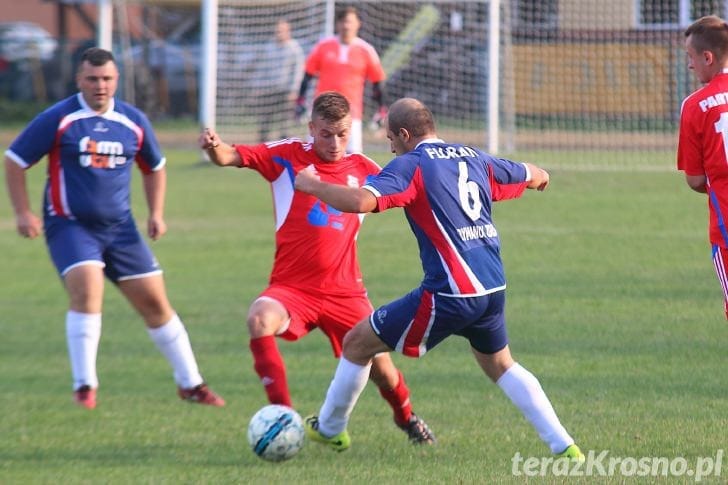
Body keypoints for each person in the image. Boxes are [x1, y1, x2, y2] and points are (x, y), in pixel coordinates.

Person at [295, 97, 584, 458]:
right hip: (493, 287)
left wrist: (312, 186)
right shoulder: (473, 156)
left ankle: (331, 429)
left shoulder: (411, 165)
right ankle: (565, 445)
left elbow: (360, 201)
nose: (390, 146)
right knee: (500, 364)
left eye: (390, 139)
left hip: (451, 292)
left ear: (403, 134)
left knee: (356, 343)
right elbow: (532, 173)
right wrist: (541, 178)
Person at [198, 91, 435, 445]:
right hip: (292, 289)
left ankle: (407, 419)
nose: (335, 142)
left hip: (346, 292)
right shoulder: (287, 155)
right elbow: (231, 156)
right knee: (259, 319)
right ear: (312, 128)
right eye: (326, 134)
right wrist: (215, 148)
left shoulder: (365, 168)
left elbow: (412, 189)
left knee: (383, 370)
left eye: (342, 134)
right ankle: (284, 419)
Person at [3, 47, 225, 410]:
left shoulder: (133, 121)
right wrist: (23, 213)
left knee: (156, 303)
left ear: (117, 80)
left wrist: (156, 213)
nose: (100, 86)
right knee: (88, 291)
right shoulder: (59, 118)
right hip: (70, 226)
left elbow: (154, 167)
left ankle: (191, 384)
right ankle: (84, 386)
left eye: (106, 79)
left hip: (121, 230)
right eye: (92, 79)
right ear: (79, 80)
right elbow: (14, 160)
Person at [678, 15, 728, 319]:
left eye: (691, 57)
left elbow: (695, 178)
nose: (690, 65)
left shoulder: (695, 105)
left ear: (707, 57)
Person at [295, 6, 387, 153]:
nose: (346, 25)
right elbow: (308, 76)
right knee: (313, 153)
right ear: (337, 24)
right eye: (343, 21)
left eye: (350, 22)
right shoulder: (323, 46)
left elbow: (377, 82)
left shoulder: (366, 50)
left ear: (358, 24)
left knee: (352, 157)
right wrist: (300, 101)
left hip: (351, 113)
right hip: (322, 111)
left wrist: (381, 109)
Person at [250, 19, 304, 142]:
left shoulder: (294, 48)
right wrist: (257, 88)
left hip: (285, 92)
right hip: (269, 91)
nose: (279, 33)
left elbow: (297, 72)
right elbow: (261, 70)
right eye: (277, 31)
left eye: (282, 31)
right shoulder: (268, 48)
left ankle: (284, 149)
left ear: (288, 31)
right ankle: (262, 149)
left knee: (284, 124)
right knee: (265, 122)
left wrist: (294, 90)